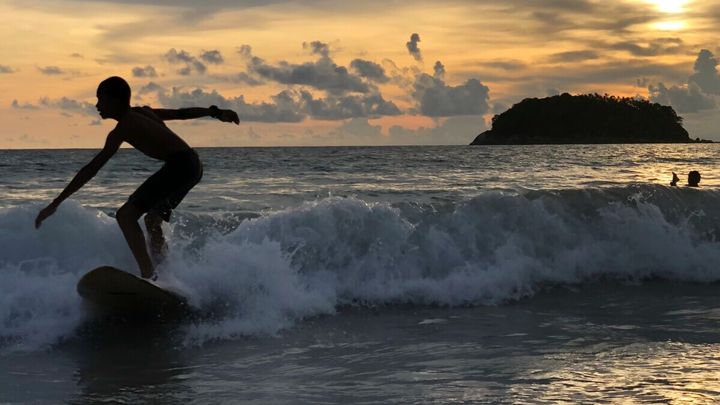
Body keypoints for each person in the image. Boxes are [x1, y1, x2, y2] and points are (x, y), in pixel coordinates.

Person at [34, 76, 239, 279]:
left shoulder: (123, 127)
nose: (97, 105)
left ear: (114, 100)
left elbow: (91, 169)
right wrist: (215, 112)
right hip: (193, 165)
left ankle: (149, 276)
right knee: (152, 220)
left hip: (180, 165)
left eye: (100, 99)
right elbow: (181, 113)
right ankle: (165, 271)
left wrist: (56, 202)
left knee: (125, 216)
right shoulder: (142, 112)